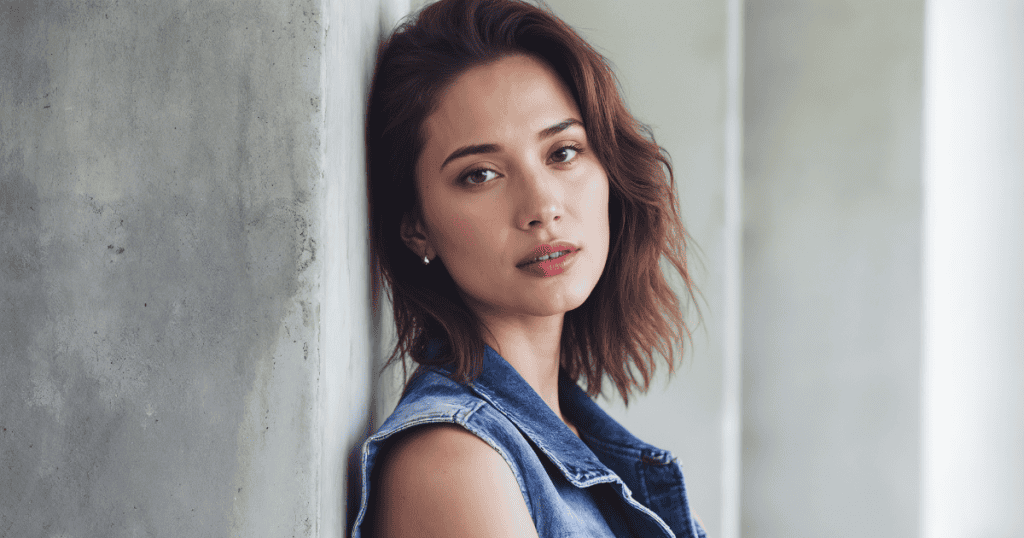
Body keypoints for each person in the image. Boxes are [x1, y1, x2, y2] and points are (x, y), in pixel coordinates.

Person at [351, 0, 704, 536]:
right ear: (416, 225)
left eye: (563, 152)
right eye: (481, 174)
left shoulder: (570, 436)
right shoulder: (454, 463)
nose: (542, 206)